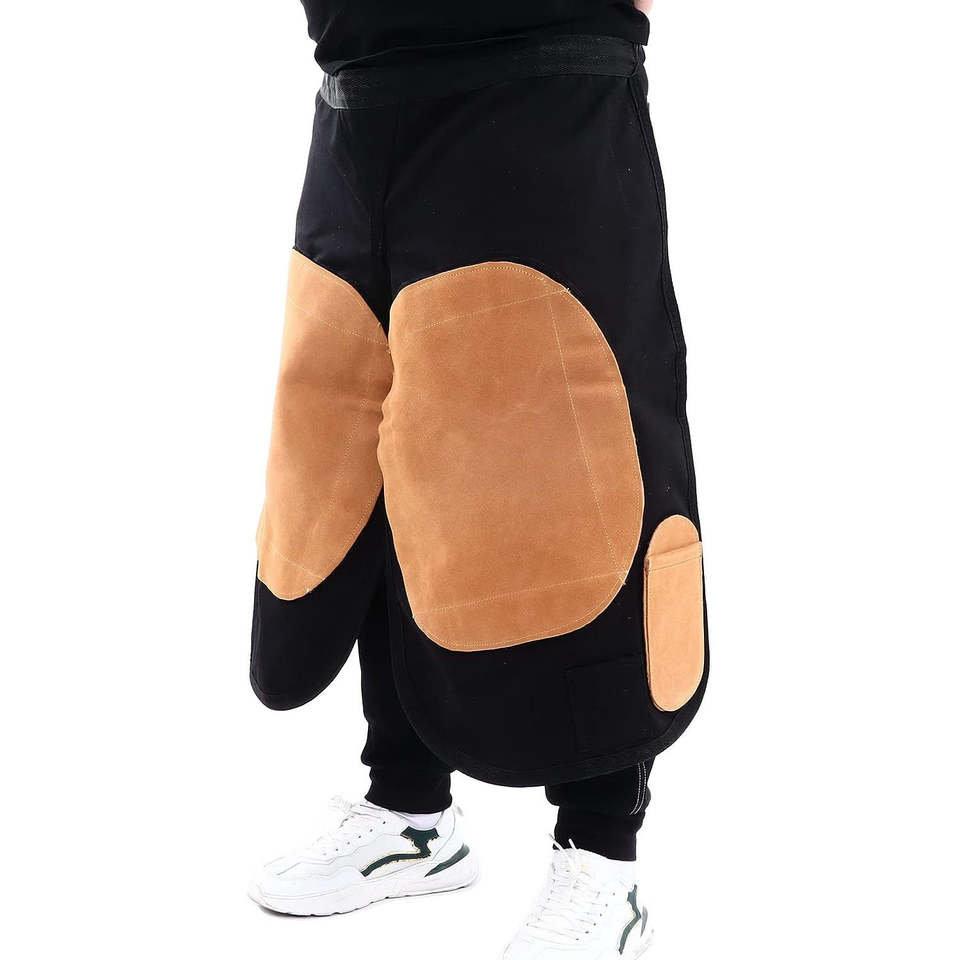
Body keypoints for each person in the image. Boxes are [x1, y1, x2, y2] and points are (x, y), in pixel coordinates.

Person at [247, 2, 707, 957]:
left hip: (543, 90)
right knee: (364, 454)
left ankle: (603, 861)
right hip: (360, 103)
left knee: (580, 473)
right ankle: (412, 812)